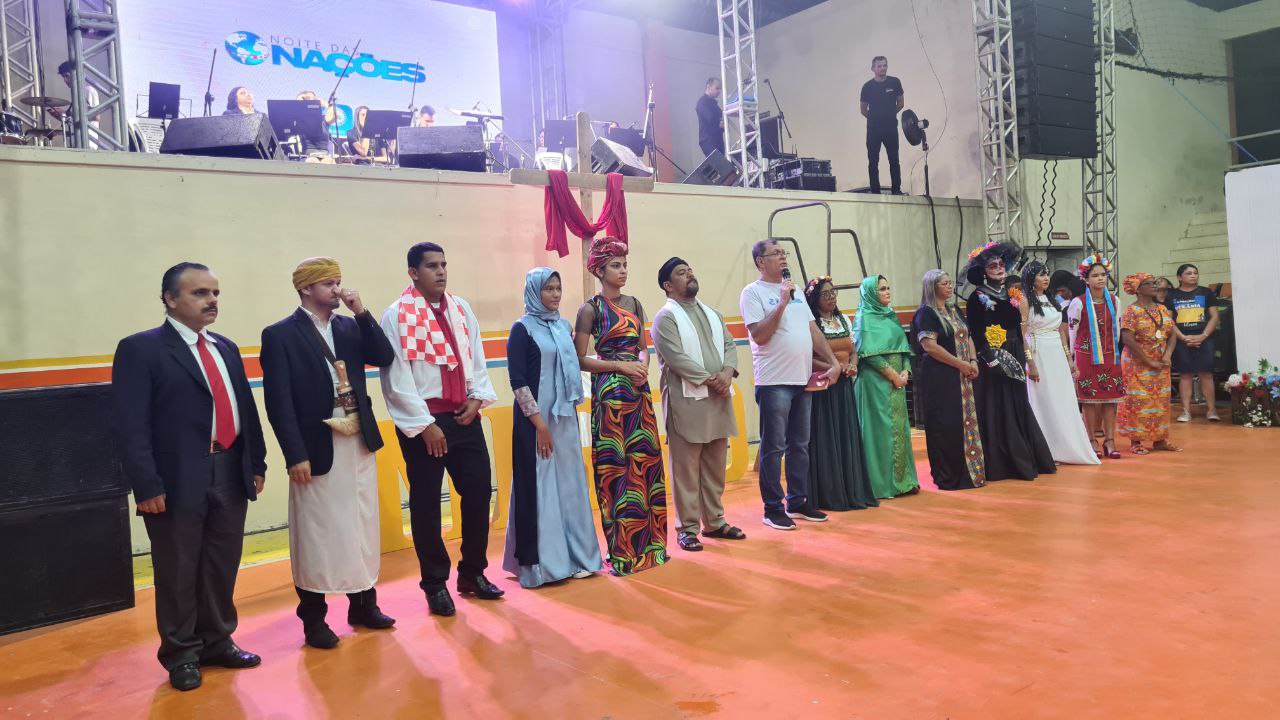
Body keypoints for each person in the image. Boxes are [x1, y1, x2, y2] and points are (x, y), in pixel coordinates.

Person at [111, 262, 267, 691]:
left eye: (215, 293)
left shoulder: (225, 347)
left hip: (229, 469)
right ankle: (181, 654)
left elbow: (245, 409)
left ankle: (217, 641)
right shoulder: (141, 349)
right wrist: (146, 485)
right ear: (170, 299)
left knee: (221, 563)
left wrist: (255, 464)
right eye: (200, 293)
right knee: (178, 568)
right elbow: (130, 425)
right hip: (176, 477)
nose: (211, 300)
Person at [259, 258, 397, 650]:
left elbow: (384, 356)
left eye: (339, 282)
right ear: (306, 289)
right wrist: (294, 454)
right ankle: (314, 619)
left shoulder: (349, 326)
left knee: (361, 523)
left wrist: (362, 312)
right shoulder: (280, 335)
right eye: (329, 284)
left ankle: (364, 604)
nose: (338, 290)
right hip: (316, 445)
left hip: (357, 439)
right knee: (316, 532)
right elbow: (279, 402)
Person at [380, 242, 504, 616]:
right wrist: (424, 425)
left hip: (465, 416)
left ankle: (473, 572)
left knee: (479, 492)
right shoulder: (397, 315)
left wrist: (477, 399)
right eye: (432, 266)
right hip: (425, 424)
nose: (441, 272)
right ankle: (435, 584)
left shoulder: (460, 308)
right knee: (427, 505)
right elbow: (396, 377)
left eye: (444, 265)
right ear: (413, 273)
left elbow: (476, 359)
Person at [574, 236, 669, 575]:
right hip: (611, 393)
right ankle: (624, 551)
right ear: (599, 271)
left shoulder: (635, 303)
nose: (623, 270)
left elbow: (643, 346)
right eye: (615, 265)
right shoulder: (590, 309)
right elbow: (579, 359)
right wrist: (620, 366)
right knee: (617, 468)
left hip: (638, 391)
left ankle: (653, 547)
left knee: (646, 464)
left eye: (625, 265)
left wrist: (642, 365)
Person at [503, 268, 602, 587]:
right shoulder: (522, 329)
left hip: (564, 418)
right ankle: (544, 565)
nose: (555, 294)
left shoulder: (563, 326)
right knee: (540, 486)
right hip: (536, 421)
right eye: (548, 288)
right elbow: (518, 382)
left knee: (572, 484)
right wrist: (539, 425)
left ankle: (579, 557)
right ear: (534, 292)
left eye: (558, 288)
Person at [740, 239, 843, 530]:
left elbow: (812, 331)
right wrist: (782, 302)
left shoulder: (795, 291)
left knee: (800, 445)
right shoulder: (752, 293)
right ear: (761, 262)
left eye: (784, 253)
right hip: (774, 382)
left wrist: (833, 362)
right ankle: (772, 508)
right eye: (776, 254)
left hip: (802, 379)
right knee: (774, 448)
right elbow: (760, 336)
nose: (783, 258)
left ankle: (797, 501)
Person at [651, 258, 747, 551]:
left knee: (715, 466)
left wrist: (727, 373)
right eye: (681, 273)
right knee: (686, 469)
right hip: (687, 401)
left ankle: (715, 522)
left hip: (717, 398)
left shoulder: (713, 314)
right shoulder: (665, 318)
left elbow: (729, 346)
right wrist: (712, 380)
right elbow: (676, 358)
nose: (690, 275)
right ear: (668, 286)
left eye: (690, 270)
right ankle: (687, 528)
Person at [964, 242, 1057, 479]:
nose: (998, 268)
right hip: (994, 354)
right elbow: (976, 332)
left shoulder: (1011, 294)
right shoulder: (977, 297)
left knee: (1017, 402)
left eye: (1001, 264)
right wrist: (990, 359)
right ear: (984, 272)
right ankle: (1001, 462)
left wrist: (1025, 357)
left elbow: (1019, 329)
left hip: (1015, 350)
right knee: (997, 404)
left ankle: (1025, 455)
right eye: (992, 266)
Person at [803, 276, 878, 510]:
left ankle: (850, 488)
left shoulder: (843, 319)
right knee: (826, 437)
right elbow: (808, 357)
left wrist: (852, 365)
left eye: (833, 292)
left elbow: (853, 350)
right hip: (823, 387)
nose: (831, 297)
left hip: (844, 386)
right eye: (825, 294)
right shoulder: (811, 325)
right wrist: (835, 367)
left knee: (846, 436)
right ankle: (830, 492)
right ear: (814, 299)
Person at [1020, 261, 1101, 466]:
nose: (1046, 278)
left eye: (1047, 274)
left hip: (1056, 352)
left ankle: (1066, 446)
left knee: (1062, 399)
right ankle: (1045, 450)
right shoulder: (1024, 301)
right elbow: (1022, 335)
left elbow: (1061, 332)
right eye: (1041, 274)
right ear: (1031, 278)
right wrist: (1030, 362)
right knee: (1043, 400)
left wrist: (1069, 359)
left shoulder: (1052, 300)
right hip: (1039, 352)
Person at [911, 270, 987, 491]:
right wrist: (960, 364)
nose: (950, 286)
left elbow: (967, 336)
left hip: (963, 375)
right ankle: (949, 475)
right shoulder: (926, 313)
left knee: (967, 422)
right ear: (932, 287)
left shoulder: (954, 309)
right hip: (941, 377)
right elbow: (930, 347)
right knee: (947, 425)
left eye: (950, 282)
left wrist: (972, 361)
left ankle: (971, 472)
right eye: (944, 283)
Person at [854, 275, 920, 498]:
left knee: (900, 429)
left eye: (888, 288)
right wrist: (893, 375)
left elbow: (903, 349)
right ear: (871, 293)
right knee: (880, 432)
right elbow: (868, 354)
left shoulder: (890, 315)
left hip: (897, 383)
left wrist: (906, 371)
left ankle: (903, 481)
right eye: (882, 289)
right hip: (876, 384)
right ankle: (882, 484)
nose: (887, 292)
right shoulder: (864, 318)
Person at [1066, 254, 1125, 459]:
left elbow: (1117, 328)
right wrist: (1072, 359)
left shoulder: (1115, 301)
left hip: (1110, 354)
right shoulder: (1078, 302)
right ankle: (1091, 439)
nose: (1100, 278)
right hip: (1086, 356)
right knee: (1089, 399)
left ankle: (1110, 440)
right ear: (1086, 279)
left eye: (1103, 275)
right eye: (1095, 275)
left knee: (1111, 399)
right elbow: (1072, 332)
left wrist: (1115, 352)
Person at [1119, 272, 1183, 455]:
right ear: (1138, 289)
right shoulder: (1131, 311)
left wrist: (1167, 355)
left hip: (1160, 362)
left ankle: (1160, 440)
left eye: (1155, 283)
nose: (1155, 286)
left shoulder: (1162, 309)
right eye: (1149, 283)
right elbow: (1127, 339)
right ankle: (1136, 442)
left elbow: (1172, 334)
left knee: (1160, 402)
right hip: (1136, 363)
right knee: (1137, 401)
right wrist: (1148, 361)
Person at [1165, 263, 1221, 422]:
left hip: (1204, 338)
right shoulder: (1171, 295)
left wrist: (1203, 336)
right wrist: (1183, 337)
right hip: (1181, 339)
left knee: (1206, 374)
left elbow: (1215, 316)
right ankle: (1186, 411)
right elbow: (1168, 320)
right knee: (1185, 375)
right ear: (1179, 277)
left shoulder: (1206, 292)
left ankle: (1211, 410)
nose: (1193, 275)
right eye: (1189, 273)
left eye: (1195, 273)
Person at [859, 56, 904, 195]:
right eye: (879, 66)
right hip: (873, 130)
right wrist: (875, 119)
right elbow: (863, 109)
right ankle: (875, 191)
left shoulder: (895, 82)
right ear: (873, 69)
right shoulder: (867, 87)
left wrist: (889, 115)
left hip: (890, 128)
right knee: (873, 161)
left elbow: (901, 103)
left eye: (885, 65)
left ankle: (896, 190)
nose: (882, 68)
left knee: (894, 160)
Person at [56, 60, 103, 149]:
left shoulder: (88, 90)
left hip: (88, 143)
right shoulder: (76, 94)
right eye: (63, 77)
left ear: (75, 74)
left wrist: (68, 113)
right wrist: (63, 114)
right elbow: (77, 117)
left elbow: (96, 116)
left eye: (66, 76)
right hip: (78, 143)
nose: (65, 80)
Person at [293, 91, 333, 157]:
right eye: (304, 99)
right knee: (313, 160)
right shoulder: (298, 119)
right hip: (308, 154)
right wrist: (300, 100)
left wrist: (325, 104)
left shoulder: (323, 119)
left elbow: (334, 116)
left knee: (328, 161)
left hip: (325, 154)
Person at [696, 77, 725, 158]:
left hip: (717, 139)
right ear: (708, 87)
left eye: (720, 89)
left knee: (721, 163)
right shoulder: (702, 102)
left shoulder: (714, 104)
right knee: (718, 162)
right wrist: (721, 123)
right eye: (717, 88)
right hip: (708, 140)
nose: (719, 91)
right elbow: (710, 118)